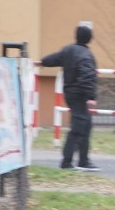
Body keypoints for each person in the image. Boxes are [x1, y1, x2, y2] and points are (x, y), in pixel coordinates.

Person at [37, 23, 100, 171]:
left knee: (86, 124)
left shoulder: (68, 50)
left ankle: (83, 161)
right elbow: (87, 76)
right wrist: (90, 96)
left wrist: (41, 62)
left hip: (70, 94)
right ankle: (67, 162)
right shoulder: (86, 55)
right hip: (80, 94)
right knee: (78, 127)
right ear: (90, 38)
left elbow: (55, 58)